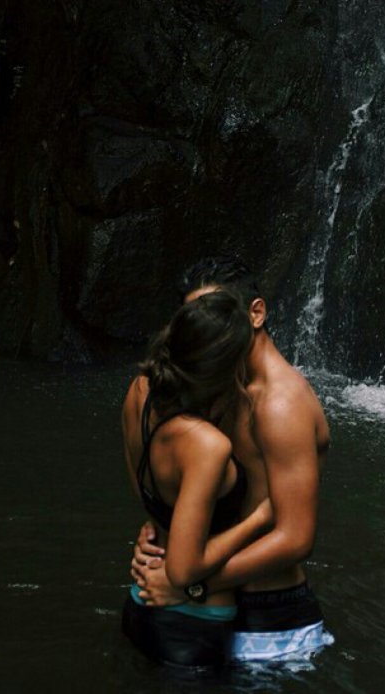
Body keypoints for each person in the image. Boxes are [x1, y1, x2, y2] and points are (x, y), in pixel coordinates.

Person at [131, 255, 333, 662]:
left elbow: (296, 537)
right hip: (209, 610)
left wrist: (190, 584)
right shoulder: (216, 385)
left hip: (268, 624)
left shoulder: (280, 404)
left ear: (255, 314)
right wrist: (160, 530)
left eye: (219, 315)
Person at [121, 288, 273, 671]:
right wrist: (259, 519)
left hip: (139, 602)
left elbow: (145, 492)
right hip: (192, 629)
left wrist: (154, 527)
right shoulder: (207, 445)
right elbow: (184, 571)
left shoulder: (139, 391)